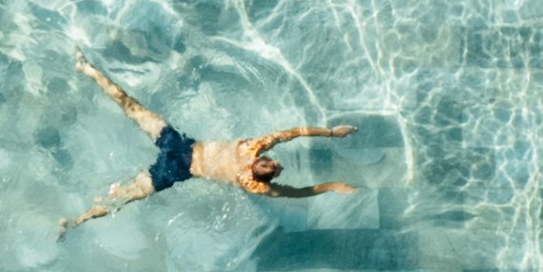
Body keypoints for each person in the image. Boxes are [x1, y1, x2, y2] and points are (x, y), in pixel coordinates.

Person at [59, 54, 358, 230]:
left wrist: (331, 184)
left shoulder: (252, 170)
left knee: (124, 192)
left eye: (272, 167)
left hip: (177, 160)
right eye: (273, 163)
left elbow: (297, 187)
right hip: (179, 152)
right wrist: (330, 134)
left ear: (261, 171)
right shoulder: (252, 163)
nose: (274, 163)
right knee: (131, 113)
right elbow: (294, 136)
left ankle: (75, 220)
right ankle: (88, 69)